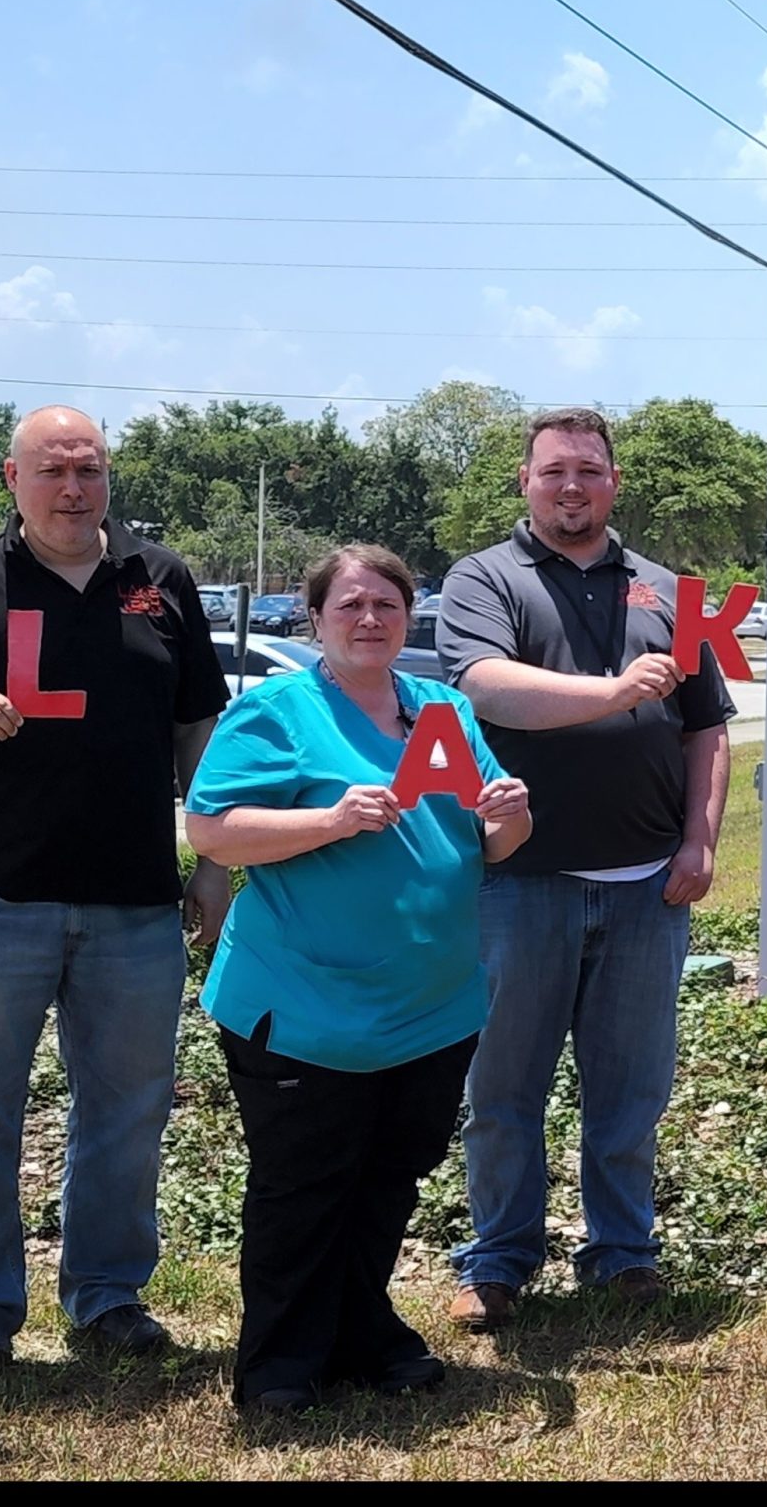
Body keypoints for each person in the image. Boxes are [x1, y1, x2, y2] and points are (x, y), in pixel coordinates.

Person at [0, 405, 230, 1397]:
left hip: (132, 902)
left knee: (127, 1109)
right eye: (53, 469)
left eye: (90, 468)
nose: (73, 486)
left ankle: (107, 1293)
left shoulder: (160, 583)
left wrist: (213, 859)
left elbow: (200, 724)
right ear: (12, 476)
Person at [185, 546, 533, 1414]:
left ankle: (360, 1331)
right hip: (305, 1004)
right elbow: (212, 832)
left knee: (387, 1182)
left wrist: (513, 817)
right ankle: (277, 1363)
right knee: (303, 1187)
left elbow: (490, 846)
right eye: (350, 604)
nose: (370, 618)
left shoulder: (440, 710)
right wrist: (328, 820)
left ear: (410, 617)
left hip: (431, 1006)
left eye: (387, 603)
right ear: (316, 620)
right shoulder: (277, 712)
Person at [435, 408, 736, 1329]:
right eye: (555, 471)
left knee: (630, 1088)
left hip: (647, 885)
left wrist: (700, 840)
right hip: (519, 882)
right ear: (526, 482)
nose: (574, 486)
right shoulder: (486, 578)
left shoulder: (664, 591)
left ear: (614, 483)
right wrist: (611, 692)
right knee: (503, 1088)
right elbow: (486, 689)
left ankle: (621, 1251)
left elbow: (705, 727)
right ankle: (498, 1258)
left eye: (591, 471)